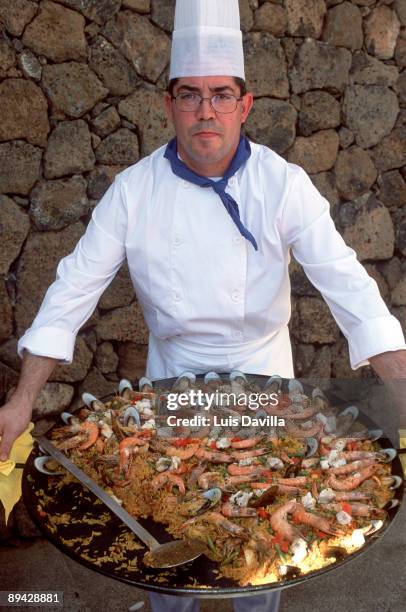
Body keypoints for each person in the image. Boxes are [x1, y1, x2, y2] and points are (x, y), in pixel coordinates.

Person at [0, 1, 405, 611]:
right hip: (172, 385)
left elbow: (348, 285)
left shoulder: (283, 183)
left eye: (221, 95)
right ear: (169, 106)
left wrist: (401, 389)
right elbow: (72, 290)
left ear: (244, 105)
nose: (205, 110)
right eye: (190, 95)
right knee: (169, 543)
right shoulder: (134, 191)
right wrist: (21, 400)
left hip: (267, 385)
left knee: (263, 549)